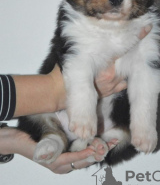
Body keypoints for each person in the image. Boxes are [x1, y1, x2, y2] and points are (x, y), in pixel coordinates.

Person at [0, 25, 151, 173]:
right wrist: (57, 91)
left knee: (126, 136)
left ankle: (85, 142)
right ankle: (54, 137)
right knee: (35, 112)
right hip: (57, 112)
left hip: (113, 122)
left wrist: (11, 140)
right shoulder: (78, 27)